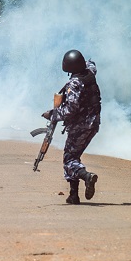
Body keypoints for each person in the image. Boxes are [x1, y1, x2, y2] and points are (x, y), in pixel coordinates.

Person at [43, 49, 101, 205]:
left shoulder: (74, 83)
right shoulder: (89, 72)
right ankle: (73, 196)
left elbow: (71, 109)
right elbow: (91, 63)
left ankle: (86, 176)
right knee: (73, 155)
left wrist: (52, 114)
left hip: (81, 126)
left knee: (69, 160)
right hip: (93, 123)